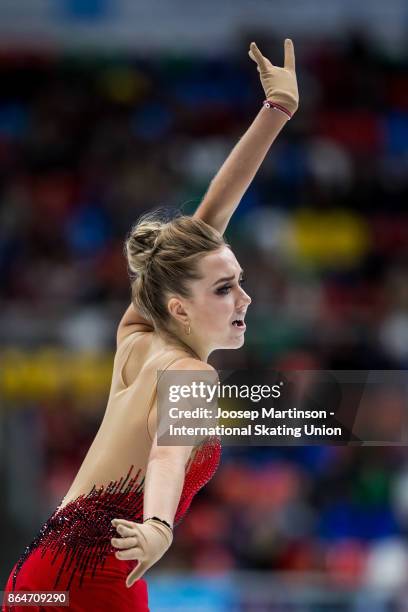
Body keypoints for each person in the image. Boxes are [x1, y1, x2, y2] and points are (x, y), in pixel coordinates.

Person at [2, 39, 299, 611]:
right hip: (95, 577)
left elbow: (205, 225)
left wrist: (275, 113)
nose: (246, 296)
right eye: (224, 288)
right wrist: (160, 524)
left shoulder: (137, 338)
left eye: (237, 279)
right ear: (180, 308)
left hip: (40, 572)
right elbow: (168, 453)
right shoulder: (189, 373)